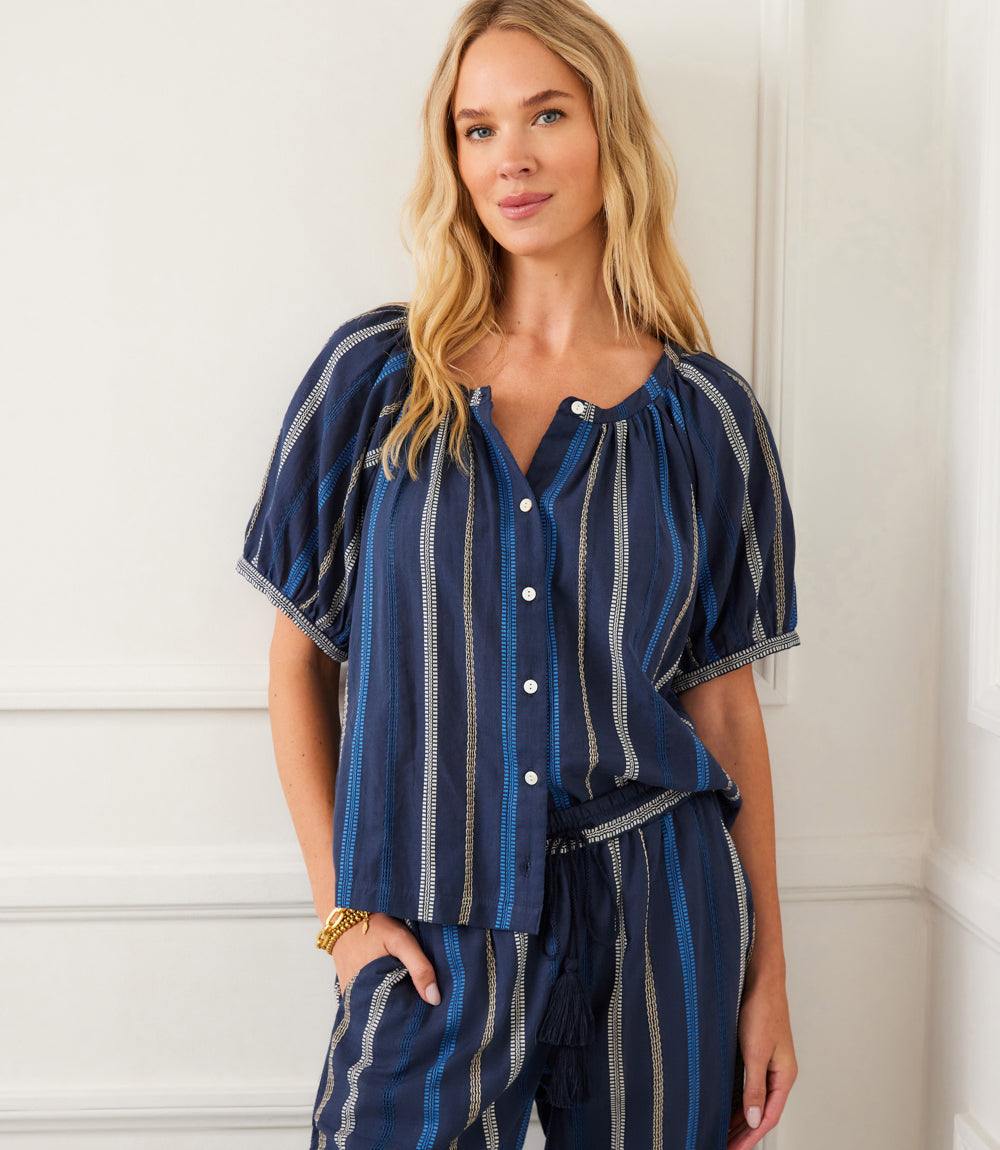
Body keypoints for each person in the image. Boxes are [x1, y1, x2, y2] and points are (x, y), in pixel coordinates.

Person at [235, 1, 801, 1146]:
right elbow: (298, 664)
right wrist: (340, 914)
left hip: (658, 909)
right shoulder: (375, 382)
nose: (512, 157)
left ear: (610, 134)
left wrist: (767, 977)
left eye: (546, 115)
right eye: (477, 128)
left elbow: (724, 707)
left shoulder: (706, 417)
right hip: (427, 920)